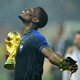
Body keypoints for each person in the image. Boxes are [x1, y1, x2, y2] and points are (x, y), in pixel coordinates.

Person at [15, 7, 78, 80]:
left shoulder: (35, 37)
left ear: (35, 20)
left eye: (31, 10)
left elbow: (51, 56)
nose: (26, 9)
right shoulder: (24, 38)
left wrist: (66, 64)